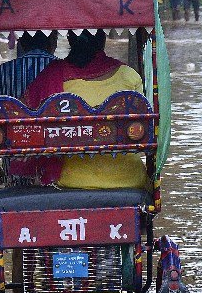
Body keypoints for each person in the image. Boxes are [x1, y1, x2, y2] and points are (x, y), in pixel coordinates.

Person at [24, 30, 147, 190]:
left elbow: (24, 116)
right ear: (102, 41)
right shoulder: (129, 75)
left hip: (71, 180)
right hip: (130, 178)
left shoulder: (51, 75)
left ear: (69, 39)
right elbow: (145, 128)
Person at [0, 31, 58, 186]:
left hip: (13, 174)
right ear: (53, 42)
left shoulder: (1, 73)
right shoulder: (63, 71)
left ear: (22, 43)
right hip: (58, 174)